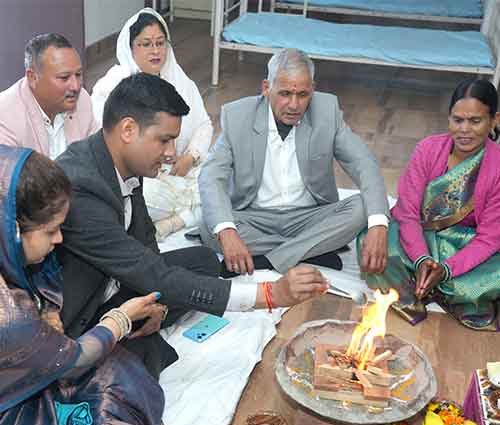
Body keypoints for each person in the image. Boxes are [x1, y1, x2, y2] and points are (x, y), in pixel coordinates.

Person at [56, 72, 329, 379]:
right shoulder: (81, 187)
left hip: (119, 279)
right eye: (164, 140)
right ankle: (122, 346)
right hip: (84, 315)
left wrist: (156, 303)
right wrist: (270, 295)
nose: (171, 153)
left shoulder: (124, 163)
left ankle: (142, 325)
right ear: (128, 129)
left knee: (202, 261)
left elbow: (147, 247)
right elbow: (153, 272)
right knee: (139, 367)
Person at [0, 146, 169, 425]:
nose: (59, 239)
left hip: (23, 376)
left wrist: (48, 315)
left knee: (122, 367)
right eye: (51, 231)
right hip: (11, 420)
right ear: (12, 230)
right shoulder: (8, 314)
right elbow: (74, 361)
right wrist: (120, 319)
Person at [198, 48, 389, 277]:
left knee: (362, 207)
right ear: (266, 88)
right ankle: (310, 251)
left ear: (313, 90)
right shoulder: (237, 115)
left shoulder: (327, 111)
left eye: (303, 95)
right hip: (254, 217)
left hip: (309, 216)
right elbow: (210, 176)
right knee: (210, 226)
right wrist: (228, 232)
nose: (294, 105)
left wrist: (378, 225)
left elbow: (364, 163)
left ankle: (266, 260)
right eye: (285, 93)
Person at [359, 78, 500, 331]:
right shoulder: (428, 149)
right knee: (372, 244)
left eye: (475, 121)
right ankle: (439, 288)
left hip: (466, 246)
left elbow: (489, 238)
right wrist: (421, 258)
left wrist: (446, 269)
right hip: (419, 237)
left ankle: (425, 285)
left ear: (494, 120)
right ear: (449, 118)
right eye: (457, 120)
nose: (464, 130)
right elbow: (407, 213)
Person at [92, 8, 212, 237]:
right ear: (130, 48)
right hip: (140, 176)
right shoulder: (110, 87)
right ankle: (193, 212)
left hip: (180, 171)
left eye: (160, 43)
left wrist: (190, 157)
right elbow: (107, 142)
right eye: (146, 44)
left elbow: (204, 124)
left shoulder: (179, 80)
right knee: (138, 196)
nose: (155, 51)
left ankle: (173, 222)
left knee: (223, 177)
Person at [0, 33, 98, 159]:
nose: (76, 86)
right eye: (64, 77)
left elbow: (96, 155)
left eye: (78, 74)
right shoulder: (5, 116)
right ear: (33, 78)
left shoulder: (82, 99)